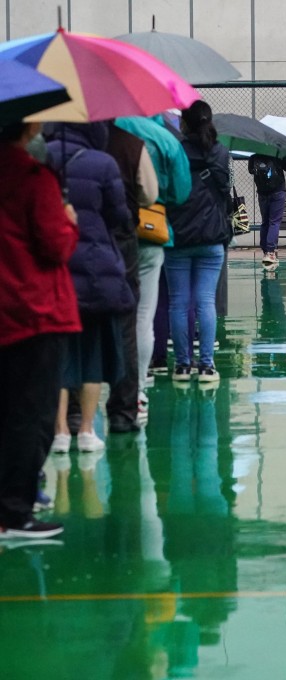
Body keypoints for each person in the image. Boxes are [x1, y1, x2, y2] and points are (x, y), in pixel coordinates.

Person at [0, 120, 80, 538]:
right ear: (27, 125)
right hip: (34, 310)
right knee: (31, 414)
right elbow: (55, 245)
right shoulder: (34, 178)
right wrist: (68, 219)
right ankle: (14, 510)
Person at [46, 122, 136, 455]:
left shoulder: (41, 159)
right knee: (94, 351)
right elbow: (119, 216)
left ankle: (58, 432)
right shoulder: (103, 163)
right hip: (97, 270)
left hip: (56, 266)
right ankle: (86, 429)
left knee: (59, 352)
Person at [113, 116, 193, 420]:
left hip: (103, 233)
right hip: (149, 231)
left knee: (107, 314)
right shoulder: (162, 137)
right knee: (144, 313)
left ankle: (105, 389)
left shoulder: (96, 132)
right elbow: (180, 191)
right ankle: (139, 389)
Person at [165, 100, 232, 385]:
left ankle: (182, 366)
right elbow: (225, 189)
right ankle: (206, 366)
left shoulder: (174, 151)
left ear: (183, 123)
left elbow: (168, 190)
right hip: (212, 237)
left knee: (178, 302)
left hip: (178, 236)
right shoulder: (220, 152)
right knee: (206, 301)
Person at [105, 122, 159, 433]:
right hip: (126, 238)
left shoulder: (58, 142)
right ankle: (126, 403)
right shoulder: (133, 144)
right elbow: (150, 194)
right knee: (132, 316)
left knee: (77, 322)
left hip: (75, 239)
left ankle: (70, 417)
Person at [248, 152, 286, 266]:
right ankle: (270, 251)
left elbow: (250, 170)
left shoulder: (255, 151)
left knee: (265, 222)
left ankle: (265, 251)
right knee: (274, 222)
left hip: (262, 191)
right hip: (278, 190)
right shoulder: (279, 149)